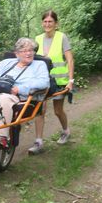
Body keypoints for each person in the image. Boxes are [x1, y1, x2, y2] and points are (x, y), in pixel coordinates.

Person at [0, 38, 51, 148]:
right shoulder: (6, 63)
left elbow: (44, 82)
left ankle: (1, 136)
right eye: (24, 51)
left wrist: (19, 89)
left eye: (31, 50)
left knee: (4, 98)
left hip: (20, 96)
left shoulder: (39, 65)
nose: (29, 53)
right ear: (16, 53)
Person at [28, 10, 75, 154]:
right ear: (42, 23)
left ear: (56, 23)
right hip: (42, 81)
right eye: (45, 21)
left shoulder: (62, 37)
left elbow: (70, 59)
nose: (47, 24)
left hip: (59, 81)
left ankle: (66, 131)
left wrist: (71, 80)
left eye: (50, 22)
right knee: (39, 111)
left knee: (57, 111)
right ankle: (39, 143)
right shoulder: (37, 38)